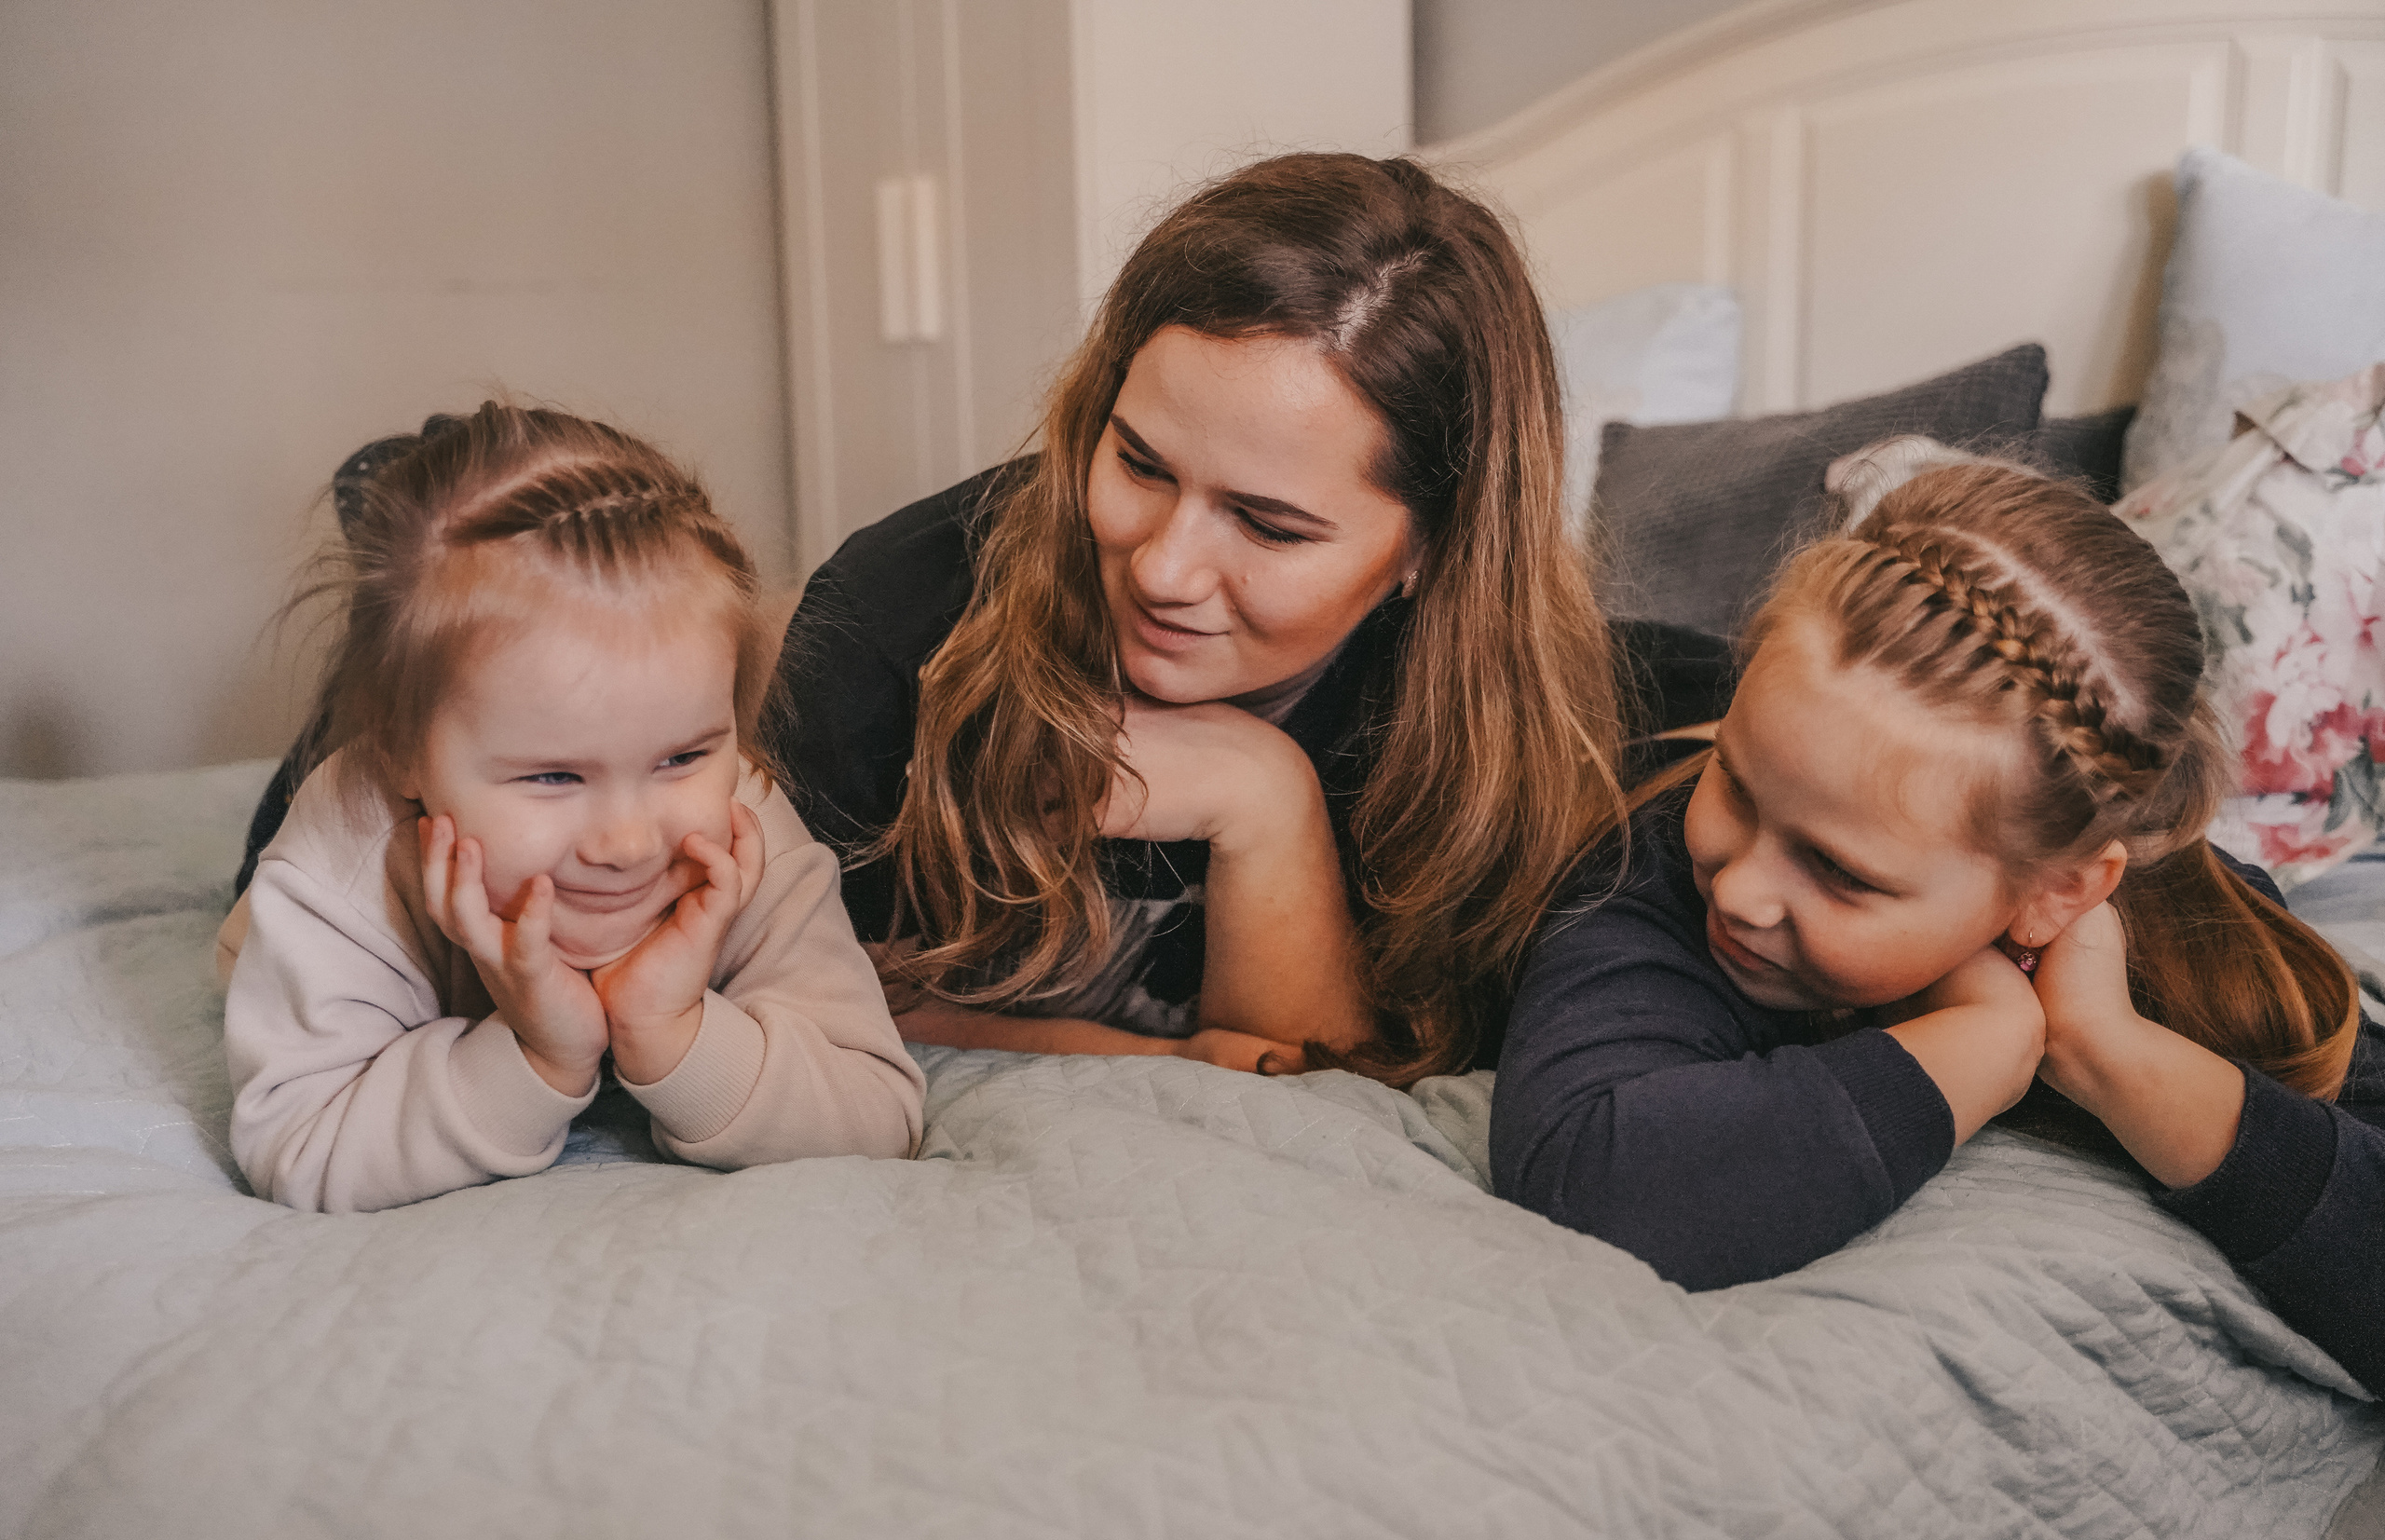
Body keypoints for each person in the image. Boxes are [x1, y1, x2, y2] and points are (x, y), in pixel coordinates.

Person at [774, 151, 1729, 1086]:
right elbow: (802, 1002)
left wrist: (1266, 802)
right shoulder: (892, 615)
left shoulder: (1550, 733)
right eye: (1139, 464)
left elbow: (1340, 1086)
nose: (1163, 569)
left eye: (1269, 526)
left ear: (1435, 547)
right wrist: (1173, 1061)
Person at [1491, 460, 2384, 1395]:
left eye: (1839, 872)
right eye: (1738, 785)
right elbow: (1595, 1174)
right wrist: (1987, 1037)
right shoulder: (1653, 859)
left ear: (2057, 895)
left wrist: (2105, 1051)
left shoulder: (2192, 924)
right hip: (1604, 688)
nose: (1743, 890)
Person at [220, 402, 924, 1214]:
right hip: (349, 815)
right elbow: (302, 1144)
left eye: (681, 757)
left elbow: (880, 1111)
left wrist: (672, 1030)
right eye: (554, 776)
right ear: (404, 753)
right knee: (282, 839)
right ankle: (406, 494)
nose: (628, 843)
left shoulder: (741, 830)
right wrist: (536, 1053)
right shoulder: (346, 864)